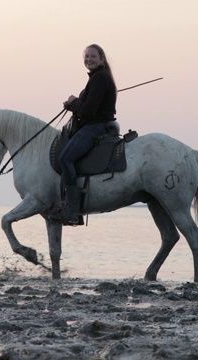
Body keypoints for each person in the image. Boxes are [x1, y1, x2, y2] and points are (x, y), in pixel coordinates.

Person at [50, 44, 118, 225]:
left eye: (93, 56)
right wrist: (74, 103)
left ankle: (71, 211)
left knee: (65, 158)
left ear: (101, 58)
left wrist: (73, 102)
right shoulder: (98, 77)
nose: (89, 59)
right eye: (86, 57)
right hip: (95, 124)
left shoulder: (100, 78)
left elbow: (89, 109)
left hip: (96, 126)